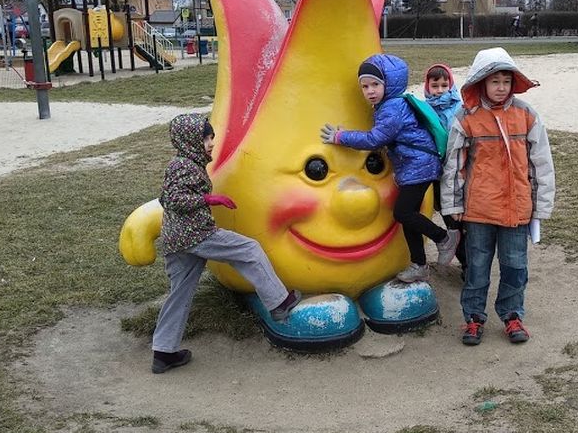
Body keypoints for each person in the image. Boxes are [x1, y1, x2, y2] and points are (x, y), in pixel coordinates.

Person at [152, 113, 301, 374]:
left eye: (212, 137)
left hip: (176, 240)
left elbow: (165, 197)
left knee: (180, 293)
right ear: (189, 140)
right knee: (249, 250)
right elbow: (173, 199)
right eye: (205, 138)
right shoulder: (184, 166)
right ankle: (279, 302)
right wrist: (208, 200)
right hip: (195, 235)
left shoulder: (183, 163)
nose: (211, 143)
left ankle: (163, 352)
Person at [441, 47, 555, 346]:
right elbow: (454, 164)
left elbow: (541, 163)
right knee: (477, 268)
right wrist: (453, 203)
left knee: (515, 266)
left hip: (517, 210)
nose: (501, 87)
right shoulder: (467, 118)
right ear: (482, 83)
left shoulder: (526, 115)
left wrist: (541, 206)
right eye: (495, 81)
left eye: (506, 81)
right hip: (479, 210)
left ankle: (512, 315)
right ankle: (473, 318)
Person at [321, 54, 460, 283]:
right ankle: (419, 265)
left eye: (375, 85)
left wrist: (340, 136)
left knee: (402, 213)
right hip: (414, 165)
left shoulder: (392, 107)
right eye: (365, 86)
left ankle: (443, 238)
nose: (370, 91)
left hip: (420, 165)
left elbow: (375, 139)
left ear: (389, 83)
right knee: (409, 217)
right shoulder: (388, 105)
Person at [423, 63, 468, 275]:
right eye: (435, 86)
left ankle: (469, 266)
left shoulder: (460, 108)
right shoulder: (424, 109)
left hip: (457, 171)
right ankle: (463, 261)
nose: (440, 90)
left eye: (444, 85)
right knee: (448, 218)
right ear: (427, 87)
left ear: (451, 85)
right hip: (435, 171)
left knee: (460, 222)